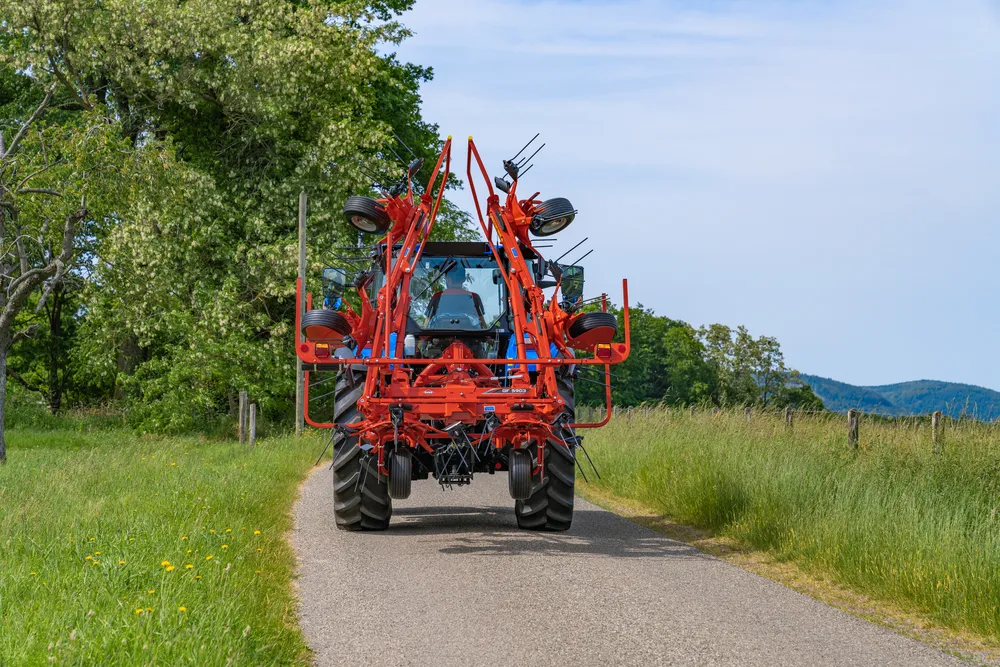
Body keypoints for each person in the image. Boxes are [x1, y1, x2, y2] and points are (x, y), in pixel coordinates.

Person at [425, 263, 487, 329]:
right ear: (464, 280)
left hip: (439, 337)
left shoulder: (437, 297)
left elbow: (426, 324)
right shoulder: (474, 297)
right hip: (471, 337)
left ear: (448, 280)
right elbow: (482, 323)